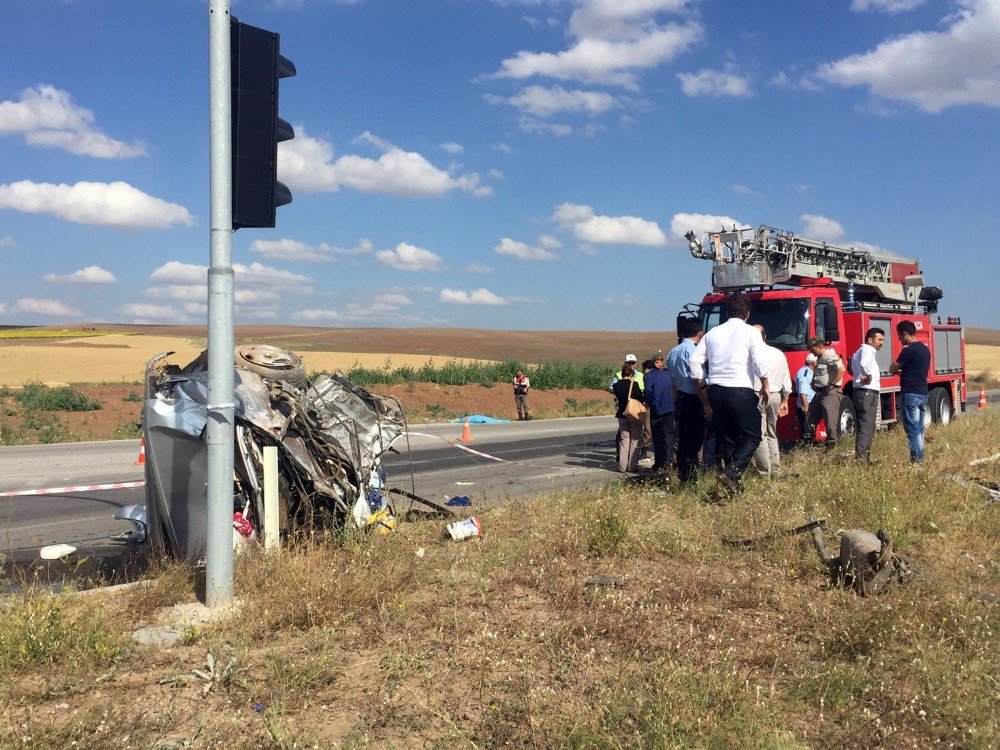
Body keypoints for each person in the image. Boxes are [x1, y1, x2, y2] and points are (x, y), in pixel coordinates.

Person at [689, 293, 770, 495]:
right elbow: (759, 361)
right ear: (747, 313)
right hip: (740, 389)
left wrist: (703, 383)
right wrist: (765, 384)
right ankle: (731, 473)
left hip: (716, 391)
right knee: (752, 436)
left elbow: (694, 360)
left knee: (729, 438)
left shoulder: (712, 333)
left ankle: (733, 486)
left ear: (726, 312)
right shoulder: (751, 332)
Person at [667, 318, 706, 482]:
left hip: (680, 400)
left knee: (683, 438)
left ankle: (684, 474)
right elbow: (699, 379)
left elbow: (672, 384)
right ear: (700, 334)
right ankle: (690, 476)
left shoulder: (672, 352)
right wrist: (706, 402)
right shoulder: (694, 351)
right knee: (695, 440)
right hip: (694, 399)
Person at [752, 325, 791, 477]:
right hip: (776, 395)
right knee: (772, 433)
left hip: (757, 394)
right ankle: (776, 469)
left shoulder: (750, 354)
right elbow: (786, 379)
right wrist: (785, 400)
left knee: (759, 434)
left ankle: (764, 472)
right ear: (765, 337)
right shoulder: (778, 353)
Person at [890, 321, 931, 463]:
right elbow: (914, 370)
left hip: (910, 393)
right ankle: (920, 457)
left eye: (899, 336)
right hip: (922, 392)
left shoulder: (908, 350)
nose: (900, 340)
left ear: (905, 334)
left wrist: (893, 369)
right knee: (919, 428)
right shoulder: (925, 349)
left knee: (912, 429)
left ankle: (917, 460)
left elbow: (894, 367)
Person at [851, 328, 884, 463]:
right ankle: (862, 461)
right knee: (867, 427)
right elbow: (864, 364)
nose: (881, 343)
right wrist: (868, 375)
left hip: (860, 392)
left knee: (864, 427)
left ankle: (863, 458)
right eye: (879, 339)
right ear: (870, 340)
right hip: (867, 393)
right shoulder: (867, 350)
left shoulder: (857, 352)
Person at [807, 337, 846, 450]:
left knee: (830, 421)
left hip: (829, 393)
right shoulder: (819, 358)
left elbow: (841, 370)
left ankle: (831, 446)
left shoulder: (830, 356)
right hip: (819, 392)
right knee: (810, 419)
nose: (812, 352)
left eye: (813, 349)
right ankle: (808, 443)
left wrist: (832, 384)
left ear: (820, 347)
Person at [612, 361, 645, 472]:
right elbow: (641, 398)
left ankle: (622, 466)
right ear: (631, 373)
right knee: (635, 439)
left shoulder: (616, 386)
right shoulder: (634, 384)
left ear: (621, 374)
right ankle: (632, 466)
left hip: (622, 414)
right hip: (633, 414)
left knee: (624, 440)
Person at [643, 353, 674, 472]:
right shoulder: (668, 374)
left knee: (661, 437)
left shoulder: (650, 376)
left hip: (659, 410)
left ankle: (663, 462)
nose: (656, 363)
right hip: (667, 408)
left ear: (661, 362)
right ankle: (665, 462)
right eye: (655, 362)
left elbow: (648, 392)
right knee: (666, 437)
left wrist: (651, 404)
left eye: (658, 361)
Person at [794, 353, 817, 442]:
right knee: (806, 429)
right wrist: (806, 407)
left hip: (809, 404)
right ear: (813, 363)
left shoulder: (806, 371)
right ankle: (805, 447)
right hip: (807, 405)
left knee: (809, 428)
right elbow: (803, 392)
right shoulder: (805, 373)